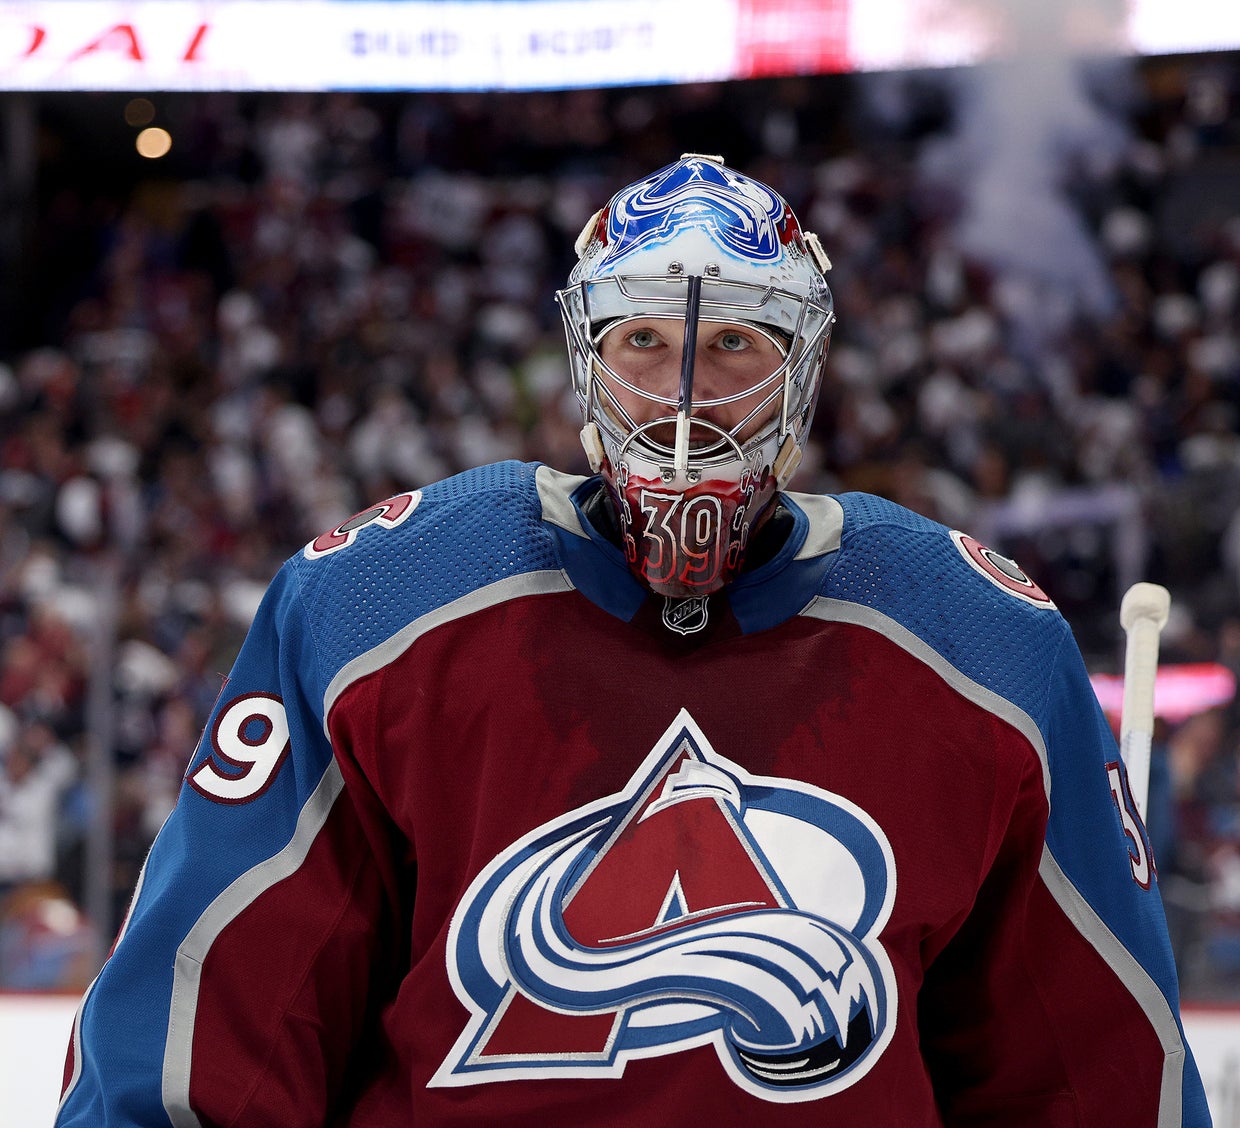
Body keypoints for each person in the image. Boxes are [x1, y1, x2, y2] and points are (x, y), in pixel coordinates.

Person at [57, 155, 1209, 1126]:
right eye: (644, 341)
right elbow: (203, 1027)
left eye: (737, 347)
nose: (683, 395)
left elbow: (1089, 1069)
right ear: (583, 356)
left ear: (802, 370)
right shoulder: (375, 606)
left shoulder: (984, 645)